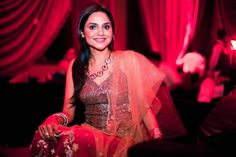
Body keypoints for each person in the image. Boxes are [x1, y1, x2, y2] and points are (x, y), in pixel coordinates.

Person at [29, 3, 186, 157]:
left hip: (123, 140)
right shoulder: (75, 66)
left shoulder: (128, 61)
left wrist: (156, 137)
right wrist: (53, 119)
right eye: (92, 27)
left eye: (106, 26)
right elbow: (68, 112)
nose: (101, 32)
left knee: (74, 139)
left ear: (112, 31)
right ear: (82, 33)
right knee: (43, 136)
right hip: (89, 136)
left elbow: (143, 107)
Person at [197, 28, 236, 103]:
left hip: (219, 76)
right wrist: (212, 73)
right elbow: (213, 63)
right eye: (227, 37)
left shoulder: (222, 46)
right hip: (216, 76)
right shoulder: (218, 46)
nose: (228, 39)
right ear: (224, 37)